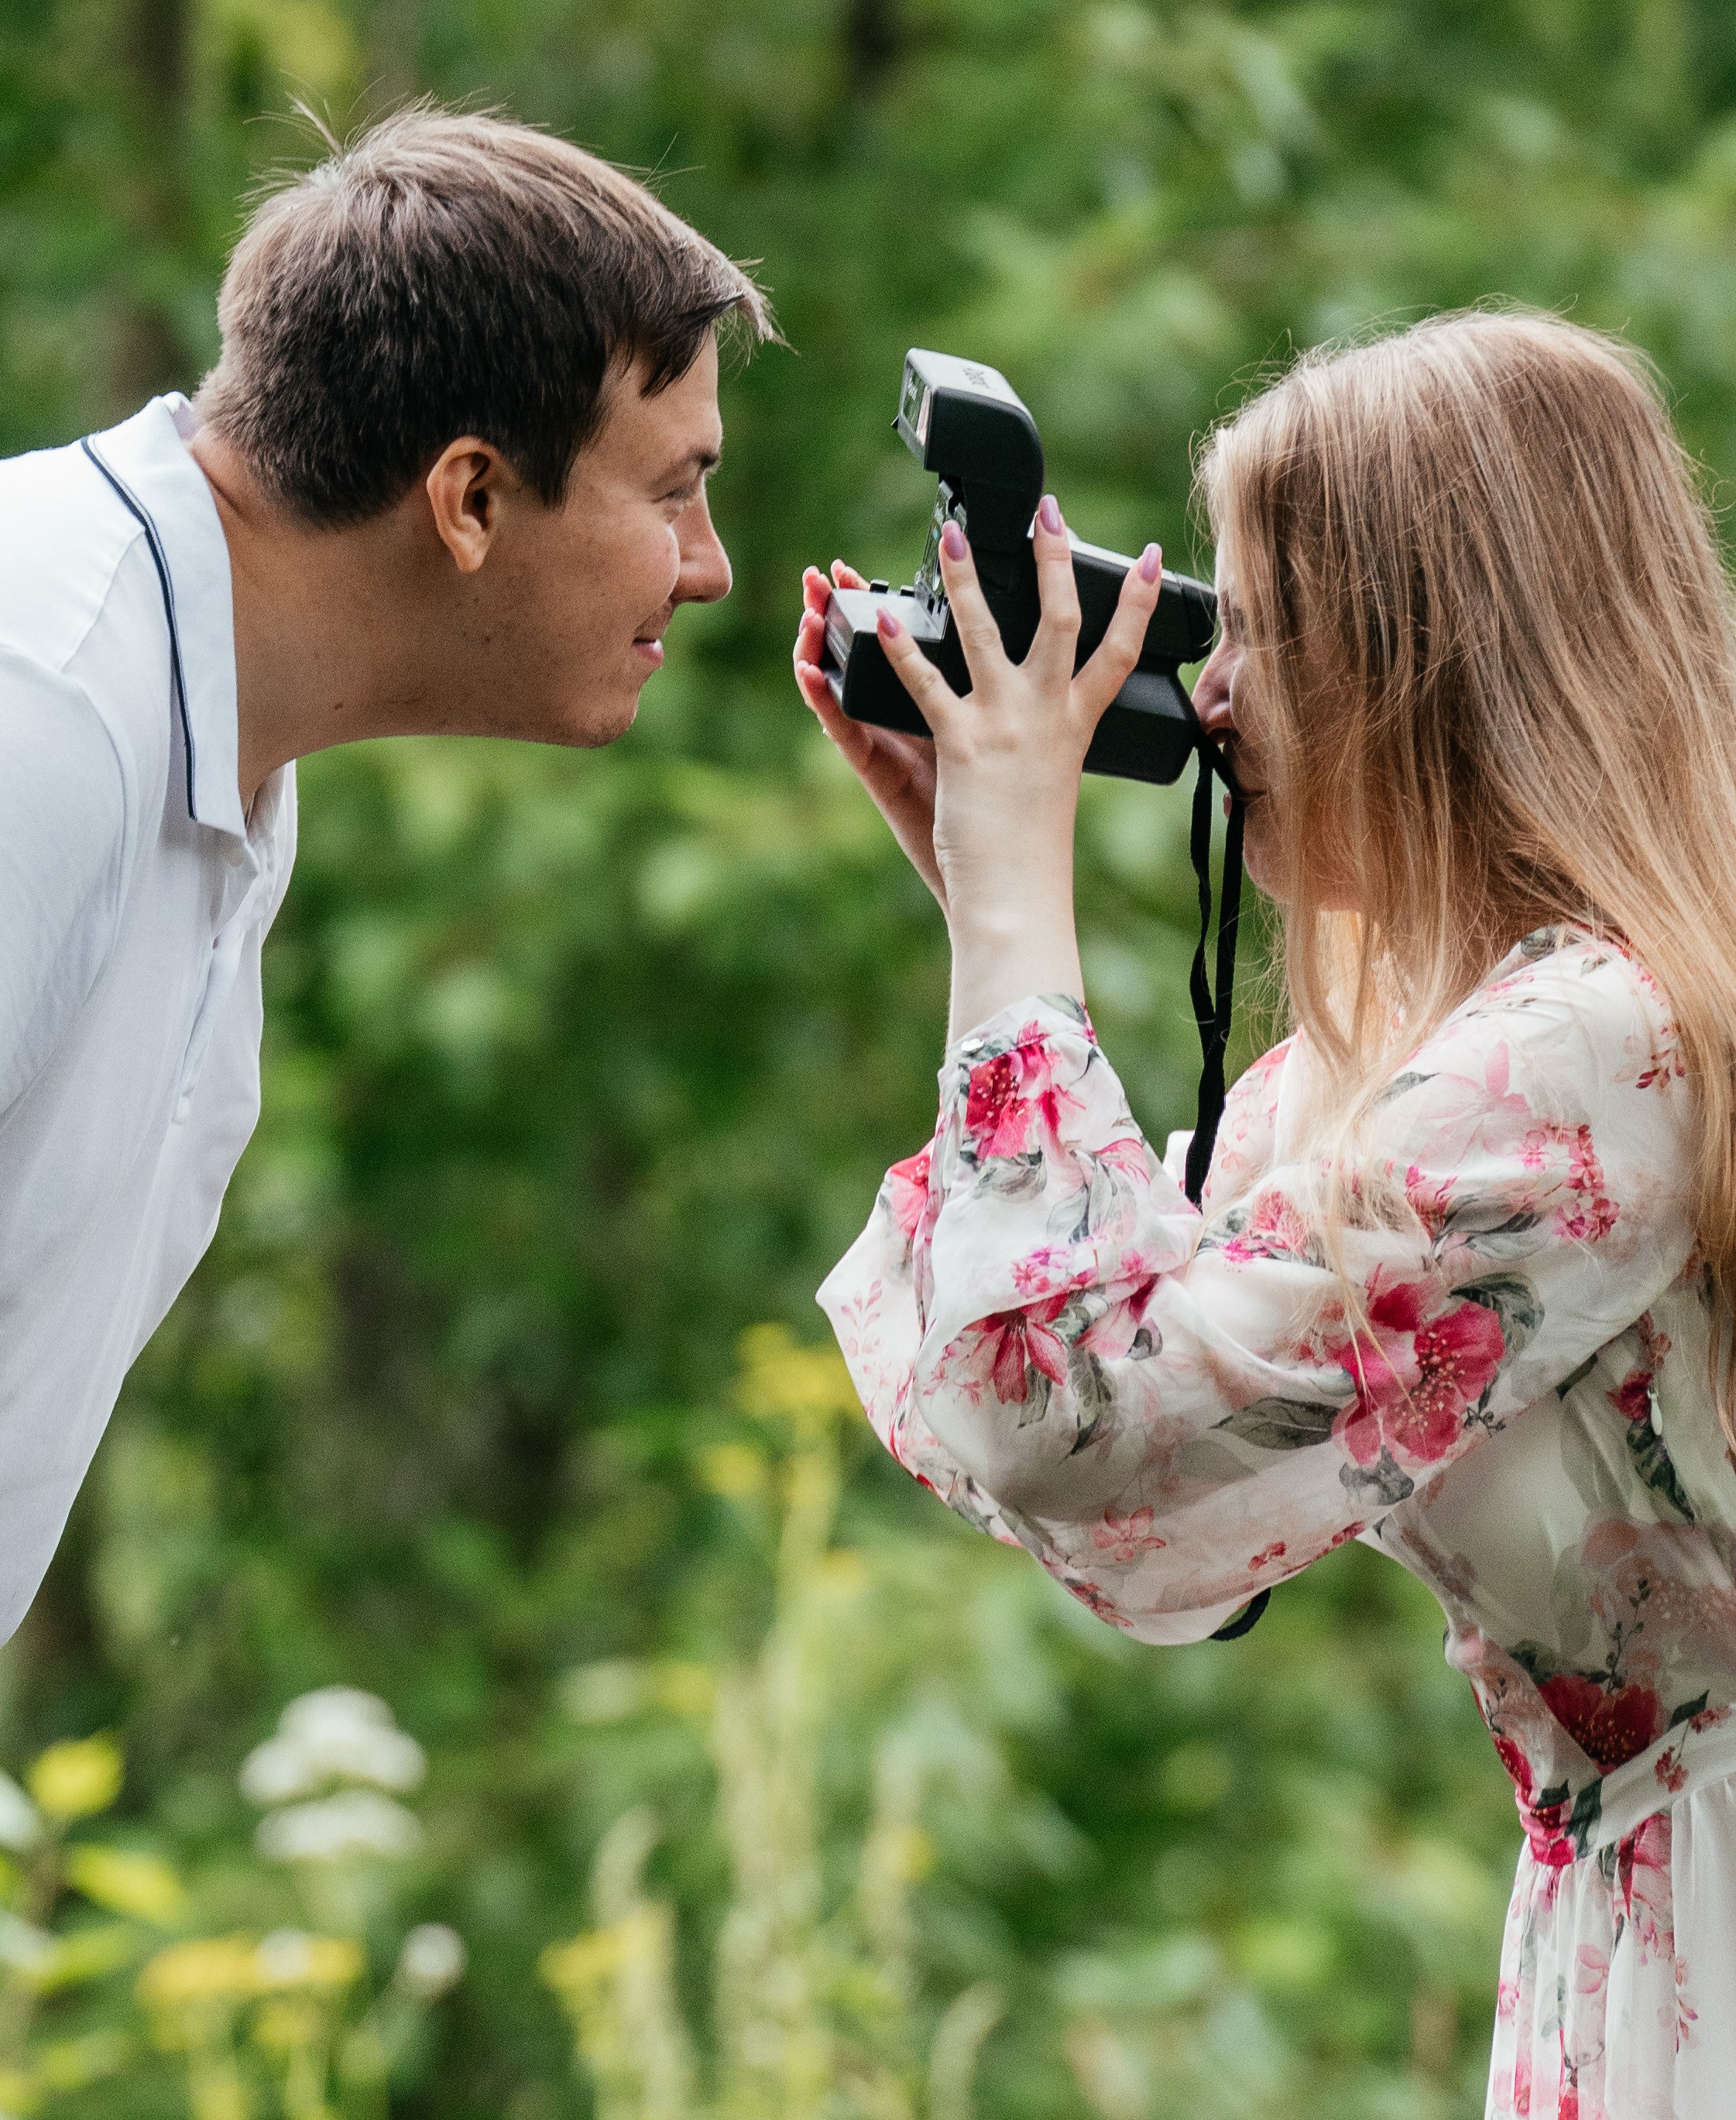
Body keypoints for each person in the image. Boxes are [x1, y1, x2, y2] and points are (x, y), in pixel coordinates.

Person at [794, 310, 1736, 2120]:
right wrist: (976, 894)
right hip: (1626, 1934)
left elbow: (1091, 1433)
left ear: (1433, 656)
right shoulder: (1414, 1063)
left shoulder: (1593, 1048)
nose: (1207, 695)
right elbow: (1080, 1406)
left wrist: (1018, 897)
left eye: (1261, 627)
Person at [0, 105, 770, 1650]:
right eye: (672, 488)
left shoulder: (218, 733)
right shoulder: (43, 702)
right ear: (470, 497)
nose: (708, 564)